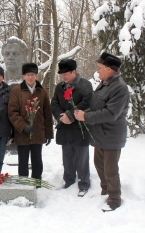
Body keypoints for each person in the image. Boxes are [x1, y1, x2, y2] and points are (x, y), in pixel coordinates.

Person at [74, 52, 129, 211]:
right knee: (99, 165)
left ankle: (114, 199)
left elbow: (111, 113)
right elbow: (98, 105)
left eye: (100, 68)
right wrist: (83, 112)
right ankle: (105, 191)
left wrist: (87, 116)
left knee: (110, 168)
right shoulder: (105, 83)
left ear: (110, 69)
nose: (97, 71)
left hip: (112, 135)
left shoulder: (120, 88)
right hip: (100, 134)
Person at [51, 59, 93, 196]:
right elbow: (54, 103)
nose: (63, 76)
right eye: (61, 74)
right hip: (65, 128)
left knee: (81, 157)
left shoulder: (85, 85)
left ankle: (84, 183)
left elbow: (87, 103)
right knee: (67, 156)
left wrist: (71, 116)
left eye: (66, 73)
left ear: (74, 71)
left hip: (80, 127)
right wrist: (60, 116)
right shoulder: (60, 87)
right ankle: (69, 180)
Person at [8, 62, 54, 184]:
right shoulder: (16, 91)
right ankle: (24, 183)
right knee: (23, 161)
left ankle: (36, 182)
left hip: (38, 132)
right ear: (23, 76)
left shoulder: (42, 91)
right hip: (22, 133)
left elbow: (47, 113)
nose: (30, 77)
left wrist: (48, 133)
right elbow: (12, 112)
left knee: (37, 161)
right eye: (28, 75)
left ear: (37, 76)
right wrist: (23, 126)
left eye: (32, 74)